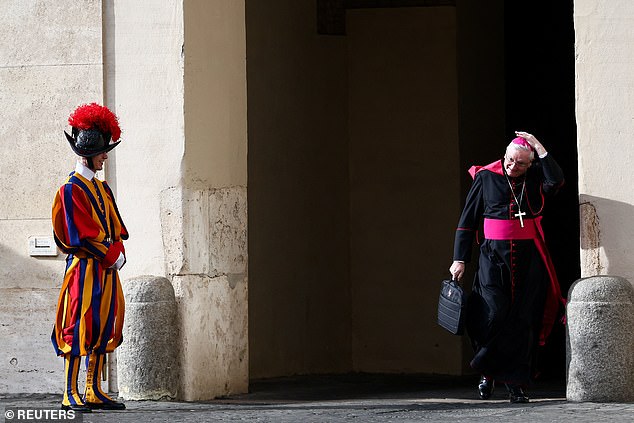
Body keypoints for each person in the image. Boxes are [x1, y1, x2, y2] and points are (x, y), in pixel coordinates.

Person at [449, 131, 565, 403]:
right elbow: (468, 220)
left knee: (524, 320)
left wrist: (540, 147)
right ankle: (488, 372)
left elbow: (556, 180)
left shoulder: (536, 176)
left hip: (529, 257)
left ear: (531, 163)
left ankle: (515, 383)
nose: (513, 167)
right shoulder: (486, 176)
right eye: (510, 161)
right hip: (493, 257)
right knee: (493, 314)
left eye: (521, 163)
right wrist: (460, 258)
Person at [51, 103, 128, 412]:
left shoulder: (102, 187)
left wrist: (117, 251)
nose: (105, 156)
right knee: (77, 324)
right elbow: (79, 234)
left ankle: (93, 389)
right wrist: (111, 254)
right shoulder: (70, 190)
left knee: (103, 323)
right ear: (89, 153)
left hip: (106, 269)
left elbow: (114, 226)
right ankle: (70, 393)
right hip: (84, 269)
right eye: (102, 151)